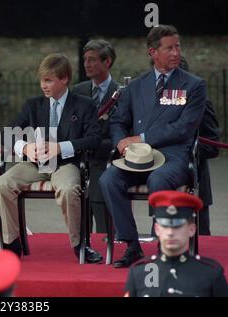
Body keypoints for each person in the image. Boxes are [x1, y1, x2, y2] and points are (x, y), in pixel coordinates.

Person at [99, 25, 206, 268]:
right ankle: (131, 246)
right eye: (169, 48)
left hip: (173, 156)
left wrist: (143, 137)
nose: (176, 52)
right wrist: (121, 143)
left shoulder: (193, 85)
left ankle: (162, 247)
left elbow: (184, 128)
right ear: (153, 52)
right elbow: (117, 121)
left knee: (158, 180)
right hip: (138, 158)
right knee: (109, 179)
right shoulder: (137, 86)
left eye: (178, 46)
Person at [0, 53, 103, 263]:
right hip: (35, 164)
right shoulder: (33, 105)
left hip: (66, 164)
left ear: (64, 79)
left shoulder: (84, 105)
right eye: (42, 80)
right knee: (2, 184)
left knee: (69, 189)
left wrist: (60, 148)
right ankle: (11, 243)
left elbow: (94, 139)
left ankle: (79, 244)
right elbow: (10, 131)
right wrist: (24, 147)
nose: (43, 85)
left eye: (48, 80)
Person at [125, 190, 228, 297]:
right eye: (165, 226)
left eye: (177, 226)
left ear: (192, 229)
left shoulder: (210, 274)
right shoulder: (139, 273)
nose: (170, 232)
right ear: (157, 229)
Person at [72, 39, 119, 233]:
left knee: (104, 228)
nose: (86, 64)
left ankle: (106, 247)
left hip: (106, 161)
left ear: (107, 62)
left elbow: (122, 134)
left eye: (92, 60)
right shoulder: (78, 91)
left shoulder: (122, 93)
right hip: (80, 162)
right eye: (85, 60)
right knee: (79, 222)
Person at [178, 56, 220, 235]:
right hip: (164, 186)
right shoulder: (154, 104)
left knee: (201, 243)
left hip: (195, 183)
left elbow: (212, 146)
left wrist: (184, 149)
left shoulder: (201, 103)